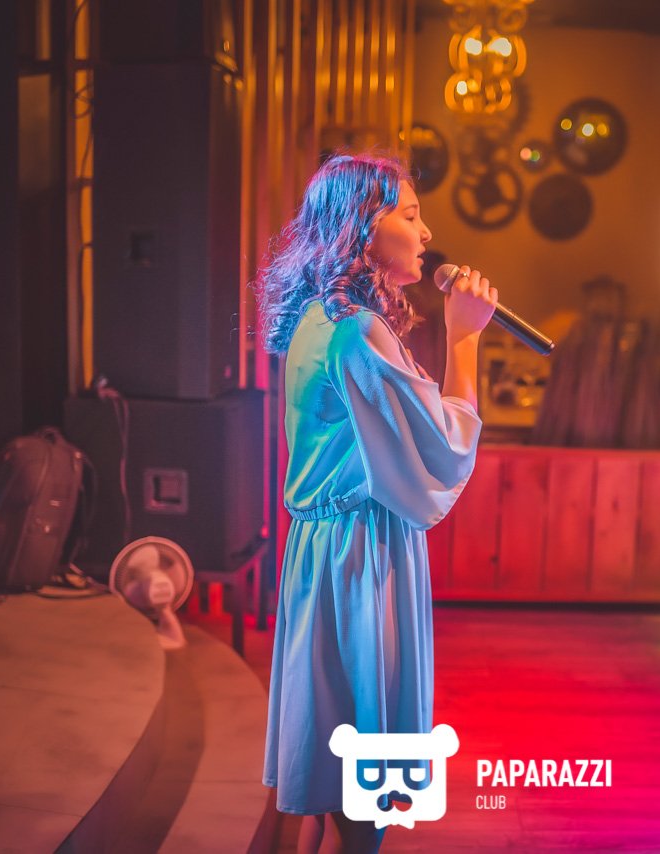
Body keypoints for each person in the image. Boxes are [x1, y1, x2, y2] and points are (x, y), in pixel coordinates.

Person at [253, 153, 497, 854]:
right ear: (364, 228)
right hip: (361, 551)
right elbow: (444, 445)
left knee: (327, 752)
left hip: (326, 548)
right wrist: (465, 339)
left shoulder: (324, 316)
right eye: (411, 215)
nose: (426, 234)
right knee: (366, 764)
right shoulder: (356, 331)